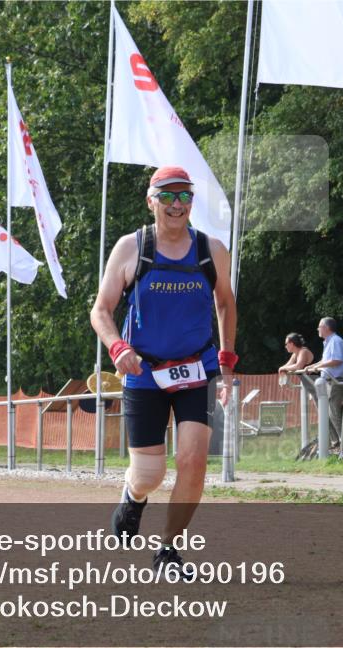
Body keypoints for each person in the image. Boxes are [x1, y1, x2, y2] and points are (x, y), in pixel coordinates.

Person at [90, 166, 237, 575]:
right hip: (143, 371)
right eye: (168, 195)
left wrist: (225, 363)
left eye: (185, 196)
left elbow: (225, 303)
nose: (177, 204)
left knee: (193, 459)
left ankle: (168, 550)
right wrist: (117, 347)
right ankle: (134, 496)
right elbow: (101, 310)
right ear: (150, 200)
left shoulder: (212, 250)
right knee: (151, 473)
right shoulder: (130, 248)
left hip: (198, 368)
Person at [301, 317, 343, 448]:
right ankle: (336, 442)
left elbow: (336, 360)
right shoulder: (328, 342)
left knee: (334, 411)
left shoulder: (336, 341)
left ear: (326, 328)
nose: (318, 329)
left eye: (319, 326)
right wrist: (312, 366)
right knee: (324, 412)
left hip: (335, 381)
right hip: (327, 381)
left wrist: (317, 367)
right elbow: (324, 361)